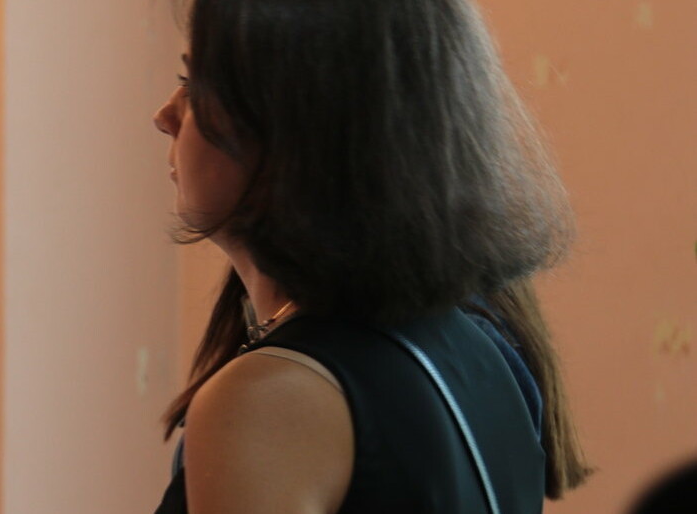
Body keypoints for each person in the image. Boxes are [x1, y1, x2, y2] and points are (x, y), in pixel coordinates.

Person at [149, 0, 591, 512]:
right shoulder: (481, 345)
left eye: (194, 85)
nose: (164, 116)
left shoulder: (271, 396)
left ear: (297, 127)